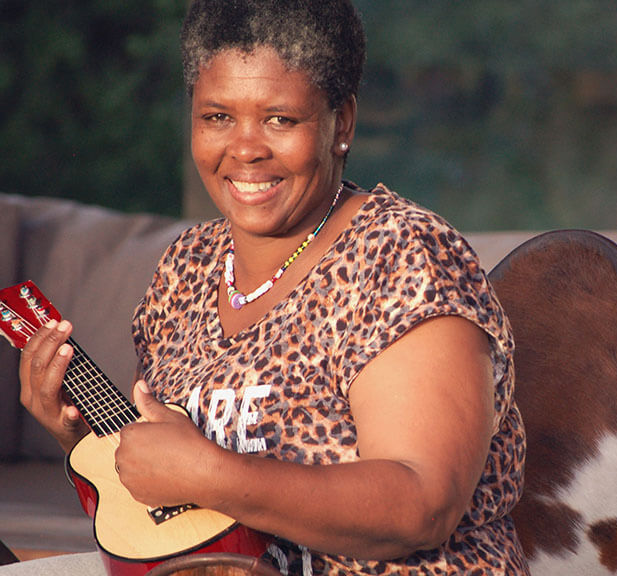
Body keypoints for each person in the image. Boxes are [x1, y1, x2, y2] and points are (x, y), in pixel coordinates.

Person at [12, 1, 528, 574]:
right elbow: (173, 510)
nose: (245, 148)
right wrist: (89, 443)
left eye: (279, 119)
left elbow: (420, 505)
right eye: (217, 117)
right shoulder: (186, 267)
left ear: (343, 124)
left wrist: (213, 474)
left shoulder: (401, 255)